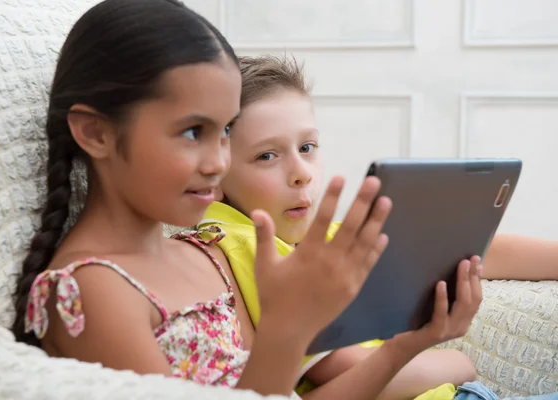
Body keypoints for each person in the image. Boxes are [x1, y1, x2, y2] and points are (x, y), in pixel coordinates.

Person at [10, 1, 482, 399]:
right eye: (194, 131)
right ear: (96, 132)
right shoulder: (89, 292)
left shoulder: (203, 253)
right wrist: (288, 326)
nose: (219, 162)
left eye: (226, 134)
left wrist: (410, 344)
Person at [197, 54, 558, 399]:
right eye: (267, 156)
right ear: (218, 170)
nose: (302, 173)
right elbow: (340, 367)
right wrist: (456, 363)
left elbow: (468, 250)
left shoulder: (318, 240)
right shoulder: (240, 245)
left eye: (307, 147)